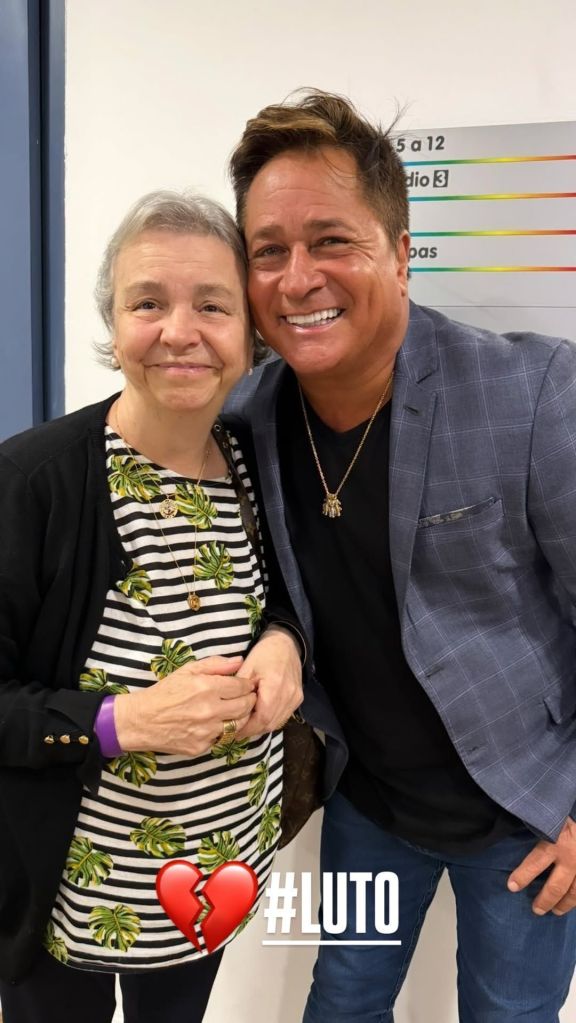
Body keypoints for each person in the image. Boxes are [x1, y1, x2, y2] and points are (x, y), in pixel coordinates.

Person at [227, 90, 576, 1022]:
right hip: (371, 802)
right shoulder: (247, 417)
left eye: (331, 241)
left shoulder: (529, 389)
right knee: (341, 1002)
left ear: (401, 250)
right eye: (269, 250)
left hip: (527, 808)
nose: (298, 278)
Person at [0, 191, 304, 1023]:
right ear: (113, 322)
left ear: (250, 332)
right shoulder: (30, 483)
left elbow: (293, 597)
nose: (180, 331)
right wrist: (121, 722)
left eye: (212, 305)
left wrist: (285, 640)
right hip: (65, 903)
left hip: (216, 877)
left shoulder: (258, 465)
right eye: (147, 303)